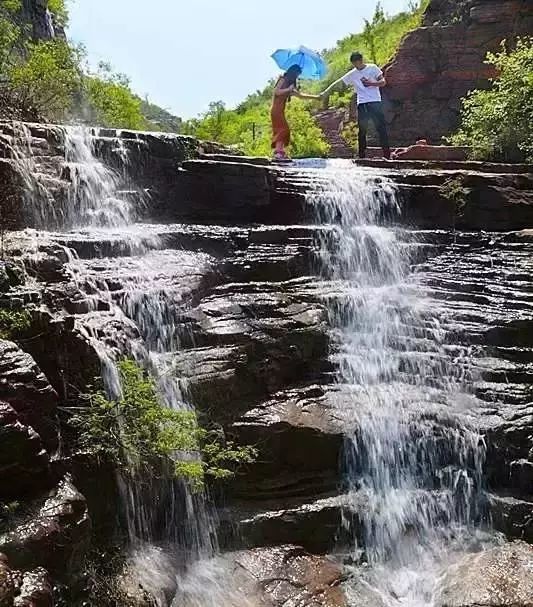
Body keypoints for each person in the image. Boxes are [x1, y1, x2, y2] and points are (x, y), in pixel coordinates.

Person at [320, 51, 391, 160]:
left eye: (357, 63)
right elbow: (338, 82)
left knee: (381, 128)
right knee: (362, 130)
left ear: (361, 60)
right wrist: (325, 92)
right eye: (354, 64)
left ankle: (387, 155)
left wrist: (371, 83)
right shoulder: (353, 73)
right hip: (362, 104)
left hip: (375, 102)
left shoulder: (372, 68)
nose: (356, 65)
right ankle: (361, 156)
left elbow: (383, 82)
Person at [271, 64, 320, 160]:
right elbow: (276, 92)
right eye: (297, 74)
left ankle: (280, 152)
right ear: (292, 72)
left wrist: (316, 97)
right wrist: (288, 89)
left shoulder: (290, 85)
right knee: (282, 129)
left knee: (284, 130)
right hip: (276, 110)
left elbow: (300, 96)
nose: (297, 76)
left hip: (280, 110)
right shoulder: (282, 79)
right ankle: (278, 153)